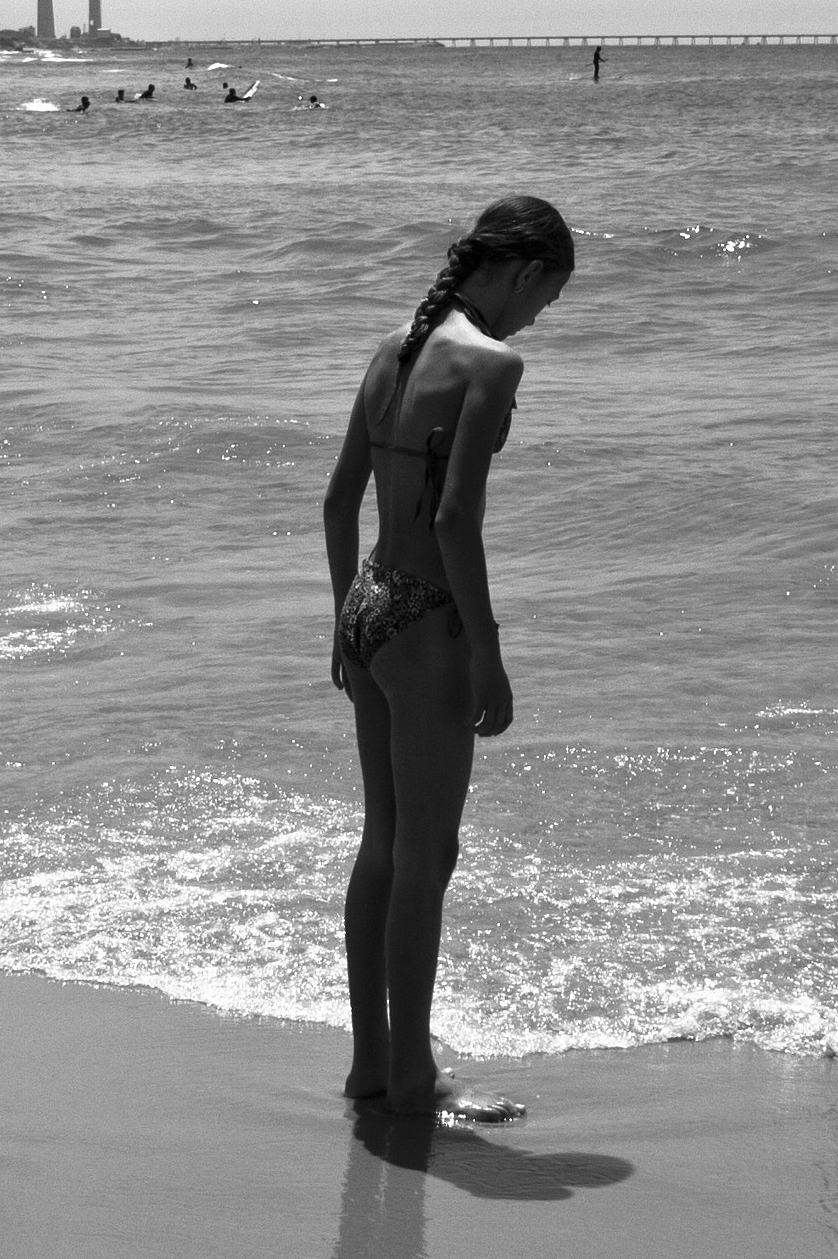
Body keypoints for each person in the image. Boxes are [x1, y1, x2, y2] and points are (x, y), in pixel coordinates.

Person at [324, 194, 576, 1119]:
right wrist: (489, 651)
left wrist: (340, 617)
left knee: (384, 846)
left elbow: (337, 499)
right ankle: (416, 1075)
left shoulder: (388, 350)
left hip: (369, 605)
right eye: (543, 299)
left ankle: (372, 1062)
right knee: (428, 855)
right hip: (429, 619)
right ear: (522, 272)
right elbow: (456, 517)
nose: (535, 319)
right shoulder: (492, 363)